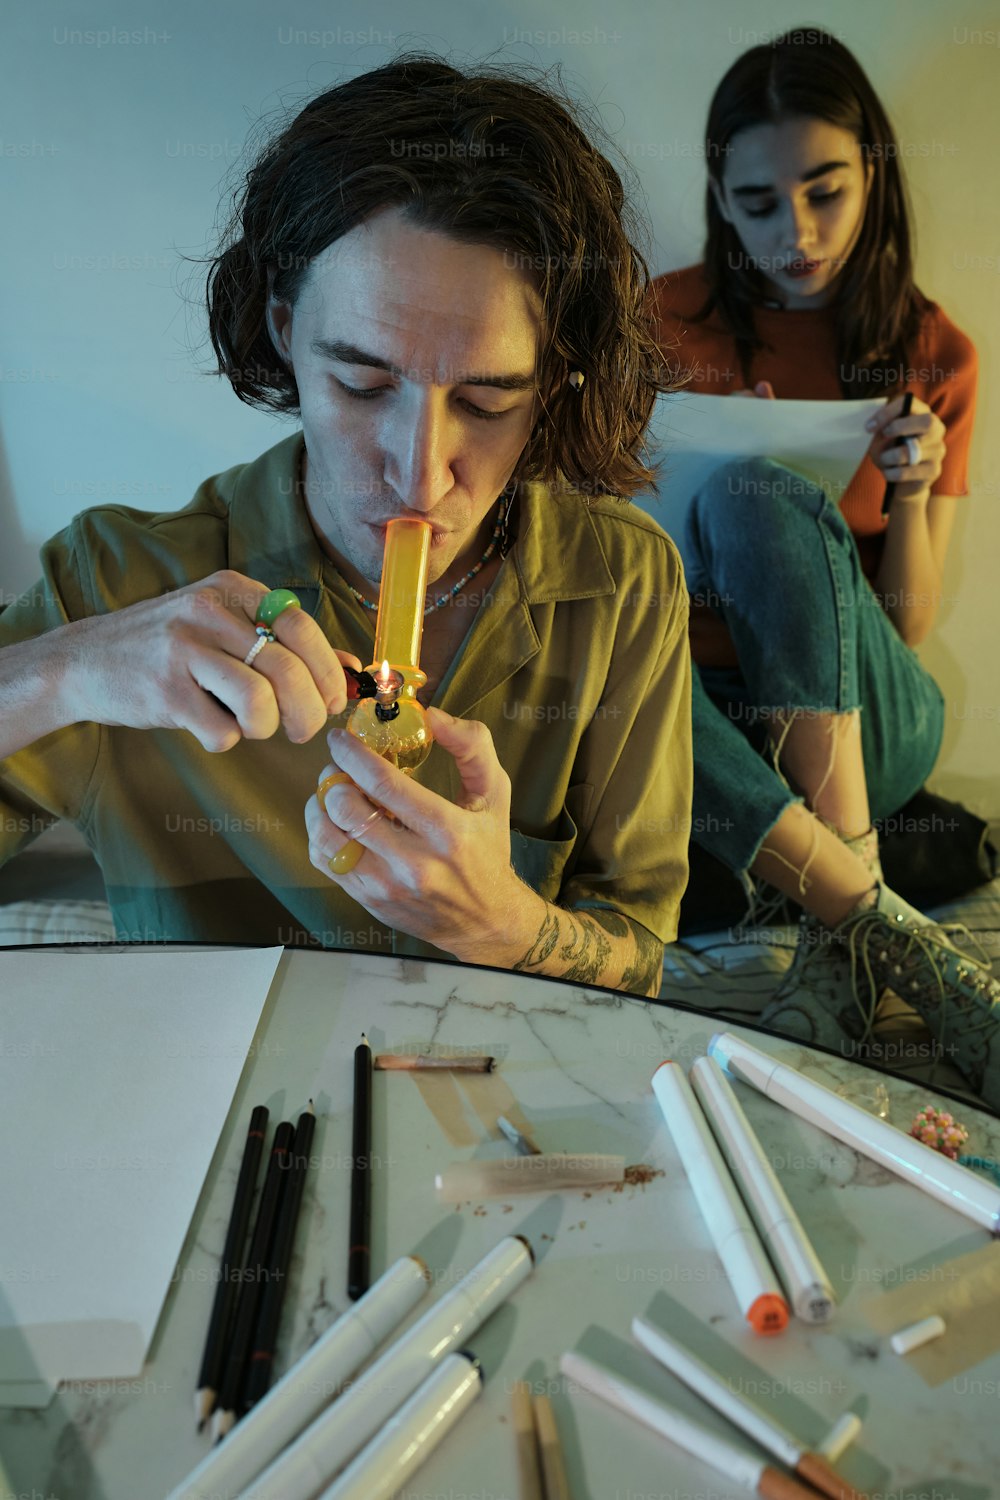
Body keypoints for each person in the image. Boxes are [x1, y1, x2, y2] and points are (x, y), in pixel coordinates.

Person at [0, 56, 691, 997]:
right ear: (284, 329)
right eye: (364, 386)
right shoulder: (118, 578)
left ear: (552, 387)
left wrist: (510, 926)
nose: (418, 473)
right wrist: (58, 670)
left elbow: (642, 953)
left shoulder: (625, 582)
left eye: (487, 404)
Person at [647, 31, 1000, 1107]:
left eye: (824, 193)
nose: (792, 235)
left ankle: (833, 910)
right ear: (718, 191)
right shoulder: (655, 324)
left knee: (756, 500)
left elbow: (901, 624)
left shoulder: (933, 350)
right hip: (711, 729)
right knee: (609, 655)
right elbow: (597, 580)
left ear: (871, 179)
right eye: (756, 203)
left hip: (869, 719)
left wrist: (902, 491)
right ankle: (864, 928)